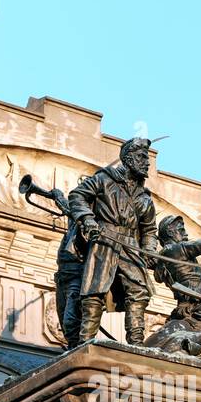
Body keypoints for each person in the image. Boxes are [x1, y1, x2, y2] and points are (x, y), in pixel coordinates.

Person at [67, 137, 161, 344]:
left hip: (131, 247)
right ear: (128, 159)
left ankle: (136, 343)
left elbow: (149, 229)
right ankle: (84, 343)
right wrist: (87, 218)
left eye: (147, 159)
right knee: (94, 292)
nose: (147, 163)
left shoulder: (145, 197)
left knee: (139, 291)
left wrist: (149, 250)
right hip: (104, 242)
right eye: (142, 157)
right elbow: (76, 196)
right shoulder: (104, 179)